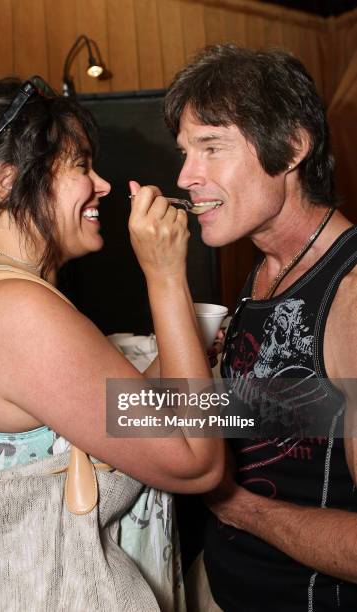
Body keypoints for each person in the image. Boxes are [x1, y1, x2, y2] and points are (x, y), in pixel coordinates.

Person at [0, 76, 224, 611]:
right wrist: (165, 276)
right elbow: (195, 461)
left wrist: (188, 350)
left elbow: (122, 415)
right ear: (5, 179)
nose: (103, 184)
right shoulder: (18, 312)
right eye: (80, 165)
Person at [164, 44, 357, 611]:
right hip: (223, 583)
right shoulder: (266, 269)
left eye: (212, 147)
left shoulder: (349, 290)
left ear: (293, 146)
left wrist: (234, 504)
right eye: (184, 151)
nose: (185, 176)